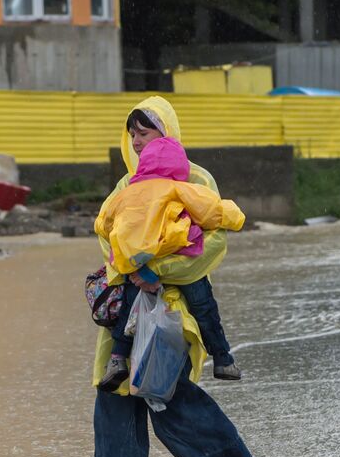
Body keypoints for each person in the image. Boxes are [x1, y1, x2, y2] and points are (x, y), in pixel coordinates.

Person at [79, 96, 278, 457]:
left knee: (187, 426)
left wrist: (154, 272)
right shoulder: (124, 186)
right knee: (115, 437)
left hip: (169, 325)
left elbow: (210, 248)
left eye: (145, 129)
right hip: (123, 330)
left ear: (167, 130)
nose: (136, 138)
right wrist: (129, 271)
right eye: (132, 131)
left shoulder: (194, 178)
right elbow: (109, 243)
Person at [95, 134, 245, 390]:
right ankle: (223, 359)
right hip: (174, 255)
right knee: (205, 308)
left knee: (127, 312)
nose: (136, 141)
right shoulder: (179, 188)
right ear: (179, 168)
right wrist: (237, 218)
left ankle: (118, 359)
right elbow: (214, 211)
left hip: (135, 265)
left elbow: (103, 224)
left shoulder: (125, 193)